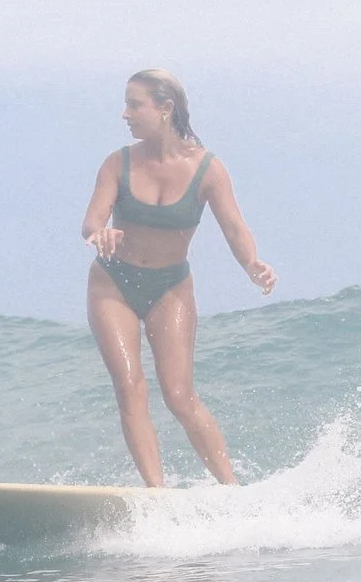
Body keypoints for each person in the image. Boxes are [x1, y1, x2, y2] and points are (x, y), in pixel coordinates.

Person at [81, 68, 274, 486]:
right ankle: (157, 494)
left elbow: (234, 227)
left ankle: (234, 492)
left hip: (170, 288)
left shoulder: (208, 170)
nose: (125, 114)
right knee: (130, 386)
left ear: (165, 108)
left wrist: (252, 264)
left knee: (180, 396)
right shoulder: (118, 163)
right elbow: (92, 221)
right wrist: (101, 233)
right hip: (113, 284)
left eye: (135, 105)